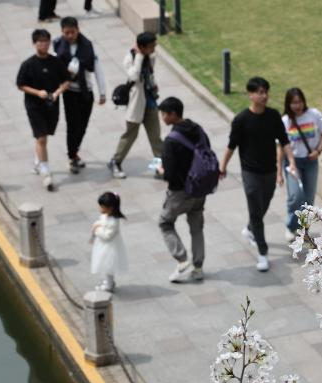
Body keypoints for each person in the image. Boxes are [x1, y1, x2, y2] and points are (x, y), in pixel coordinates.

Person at [218, 77, 298, 272]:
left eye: (266, 92)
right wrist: (223, 166)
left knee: (264, 204)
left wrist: (291, 160)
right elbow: (231, 145)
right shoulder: (241, 119)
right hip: (250, 172)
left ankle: (250, 228)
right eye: (260, 92)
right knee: (256, 209)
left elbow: (284, 140)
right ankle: (263, 253)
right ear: (251, 94)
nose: (264, 96)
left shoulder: (273, 116)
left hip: (269, 171)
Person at [158, 97, 209, 283]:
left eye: (164, 114)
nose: (162, 117)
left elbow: (170, 174)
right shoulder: (198, 129)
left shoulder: (171, 141)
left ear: (173, 114)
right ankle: (198, 267)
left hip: (180, 192)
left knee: (165, 223)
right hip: (200, 188)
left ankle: (181, 259)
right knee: (196, 227)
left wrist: (161, 170)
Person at [16, 29, 71, 191]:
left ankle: (38, 160)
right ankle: (46, 173)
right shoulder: (28, 64)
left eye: (46, 41)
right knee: (41, 138)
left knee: (45, 135)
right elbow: (21, 85)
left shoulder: (56, 62)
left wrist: (57, 93)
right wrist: (37, 93)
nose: (44, 45)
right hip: (34, 105)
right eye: (40, 42)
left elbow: (66, 81)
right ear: (34, 44)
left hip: (51, 104)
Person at [53, 17, 107, 174]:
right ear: (62, 32)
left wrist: (102, 92)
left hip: (86, 91)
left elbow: (97, 68)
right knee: (72, 126)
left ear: (78, 30)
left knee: (83, 125)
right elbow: (54, 67)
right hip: (70, 92)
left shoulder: (87, 46)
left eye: (72, 32)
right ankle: (72, 156)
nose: (70, 35)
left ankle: (74, 151)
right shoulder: (58, 46)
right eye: (66, 33)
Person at [108, 32, 164, 180]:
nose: (154, 49)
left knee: (155, 137)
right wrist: (139, 56)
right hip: (136, 103)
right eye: (151, 46)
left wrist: (153, 85)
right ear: (142, 47)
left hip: (150, 101)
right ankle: (115, 162)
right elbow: (134, 76)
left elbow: (150, 74)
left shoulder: (151, 56)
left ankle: (159, 167)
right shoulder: (130, 58)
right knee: (130, 135)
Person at [278, 88, 322, 242]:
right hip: (293, 162)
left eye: (299, 102)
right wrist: (278, 171)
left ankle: (303, 229)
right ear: (288, 104)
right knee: (295, 196)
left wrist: (318, 151)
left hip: (311, 161)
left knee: (308, 199)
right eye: (293, 103)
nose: (297, 105)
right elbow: (280, 147)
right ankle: (291, 226)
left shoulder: (314, 114)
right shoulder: (285, 121)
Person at [89, 191, 127, 293]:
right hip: (104, 246)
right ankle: (108, 282)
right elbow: (102, 222)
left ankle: (109, 285)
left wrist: (97, 230)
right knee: (106, 265)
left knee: (108, 266)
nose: (100, 209)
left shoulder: (114, 221)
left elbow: (107, 236)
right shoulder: (106, 215)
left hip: (109, 247)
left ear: (110, 208)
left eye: (102, 207)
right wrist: (97, 225)